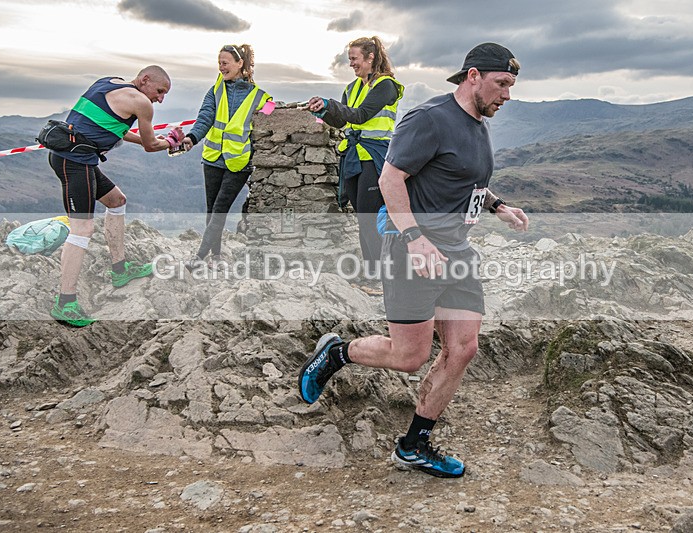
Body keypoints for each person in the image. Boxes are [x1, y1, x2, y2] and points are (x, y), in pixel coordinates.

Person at [298, 43, 529, 478]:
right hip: (413, 252)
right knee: (409, 356)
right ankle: (337, 353)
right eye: (502, 84)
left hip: (457, 251)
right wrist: (415, 238)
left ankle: (413, 444)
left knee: (463, 349)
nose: (507, 96)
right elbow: (390, 178)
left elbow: (464, 179)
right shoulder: (430, 118)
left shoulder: (478, 121)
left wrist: (499, 206)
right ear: (473, 76)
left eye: (511, 87)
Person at [48, 65, 184, 327]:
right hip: (75, 162)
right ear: (144, 80)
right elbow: (150, 146)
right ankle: (65, 303)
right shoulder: (142, 103)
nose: (160, 98)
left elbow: (117, 130)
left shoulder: (109, 82)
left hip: (71, 156)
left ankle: (120, 270)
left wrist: (160, 139)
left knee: (116, 200)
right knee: (82, 230)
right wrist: (174, 141)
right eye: (159, 91)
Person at [305, 36, 404, 288]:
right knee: (362, 217)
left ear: (370, 57)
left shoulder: (386, 86)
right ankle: (373, 274)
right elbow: (342, 121)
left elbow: (360, 115)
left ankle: (382, 276)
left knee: (371, 218)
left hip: (374, 156)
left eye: (354, 59)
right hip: (353, 156)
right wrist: (324, 110)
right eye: (349, 59)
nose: (351, 64)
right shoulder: (351, 88)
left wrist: (331, 104)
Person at [181, 44, 273, 272]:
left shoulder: (260, 96)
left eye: (225, 63)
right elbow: (205, 118)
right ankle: (216, 256)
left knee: (220, 209)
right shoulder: (215, 91)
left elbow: (274, 117)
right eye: (219, 63)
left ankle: (199, 257)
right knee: (212, 210)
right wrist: (192, 138)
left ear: (239, 63)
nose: (221, 67)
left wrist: (279, 109)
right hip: (212, 158)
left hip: (239, 163)